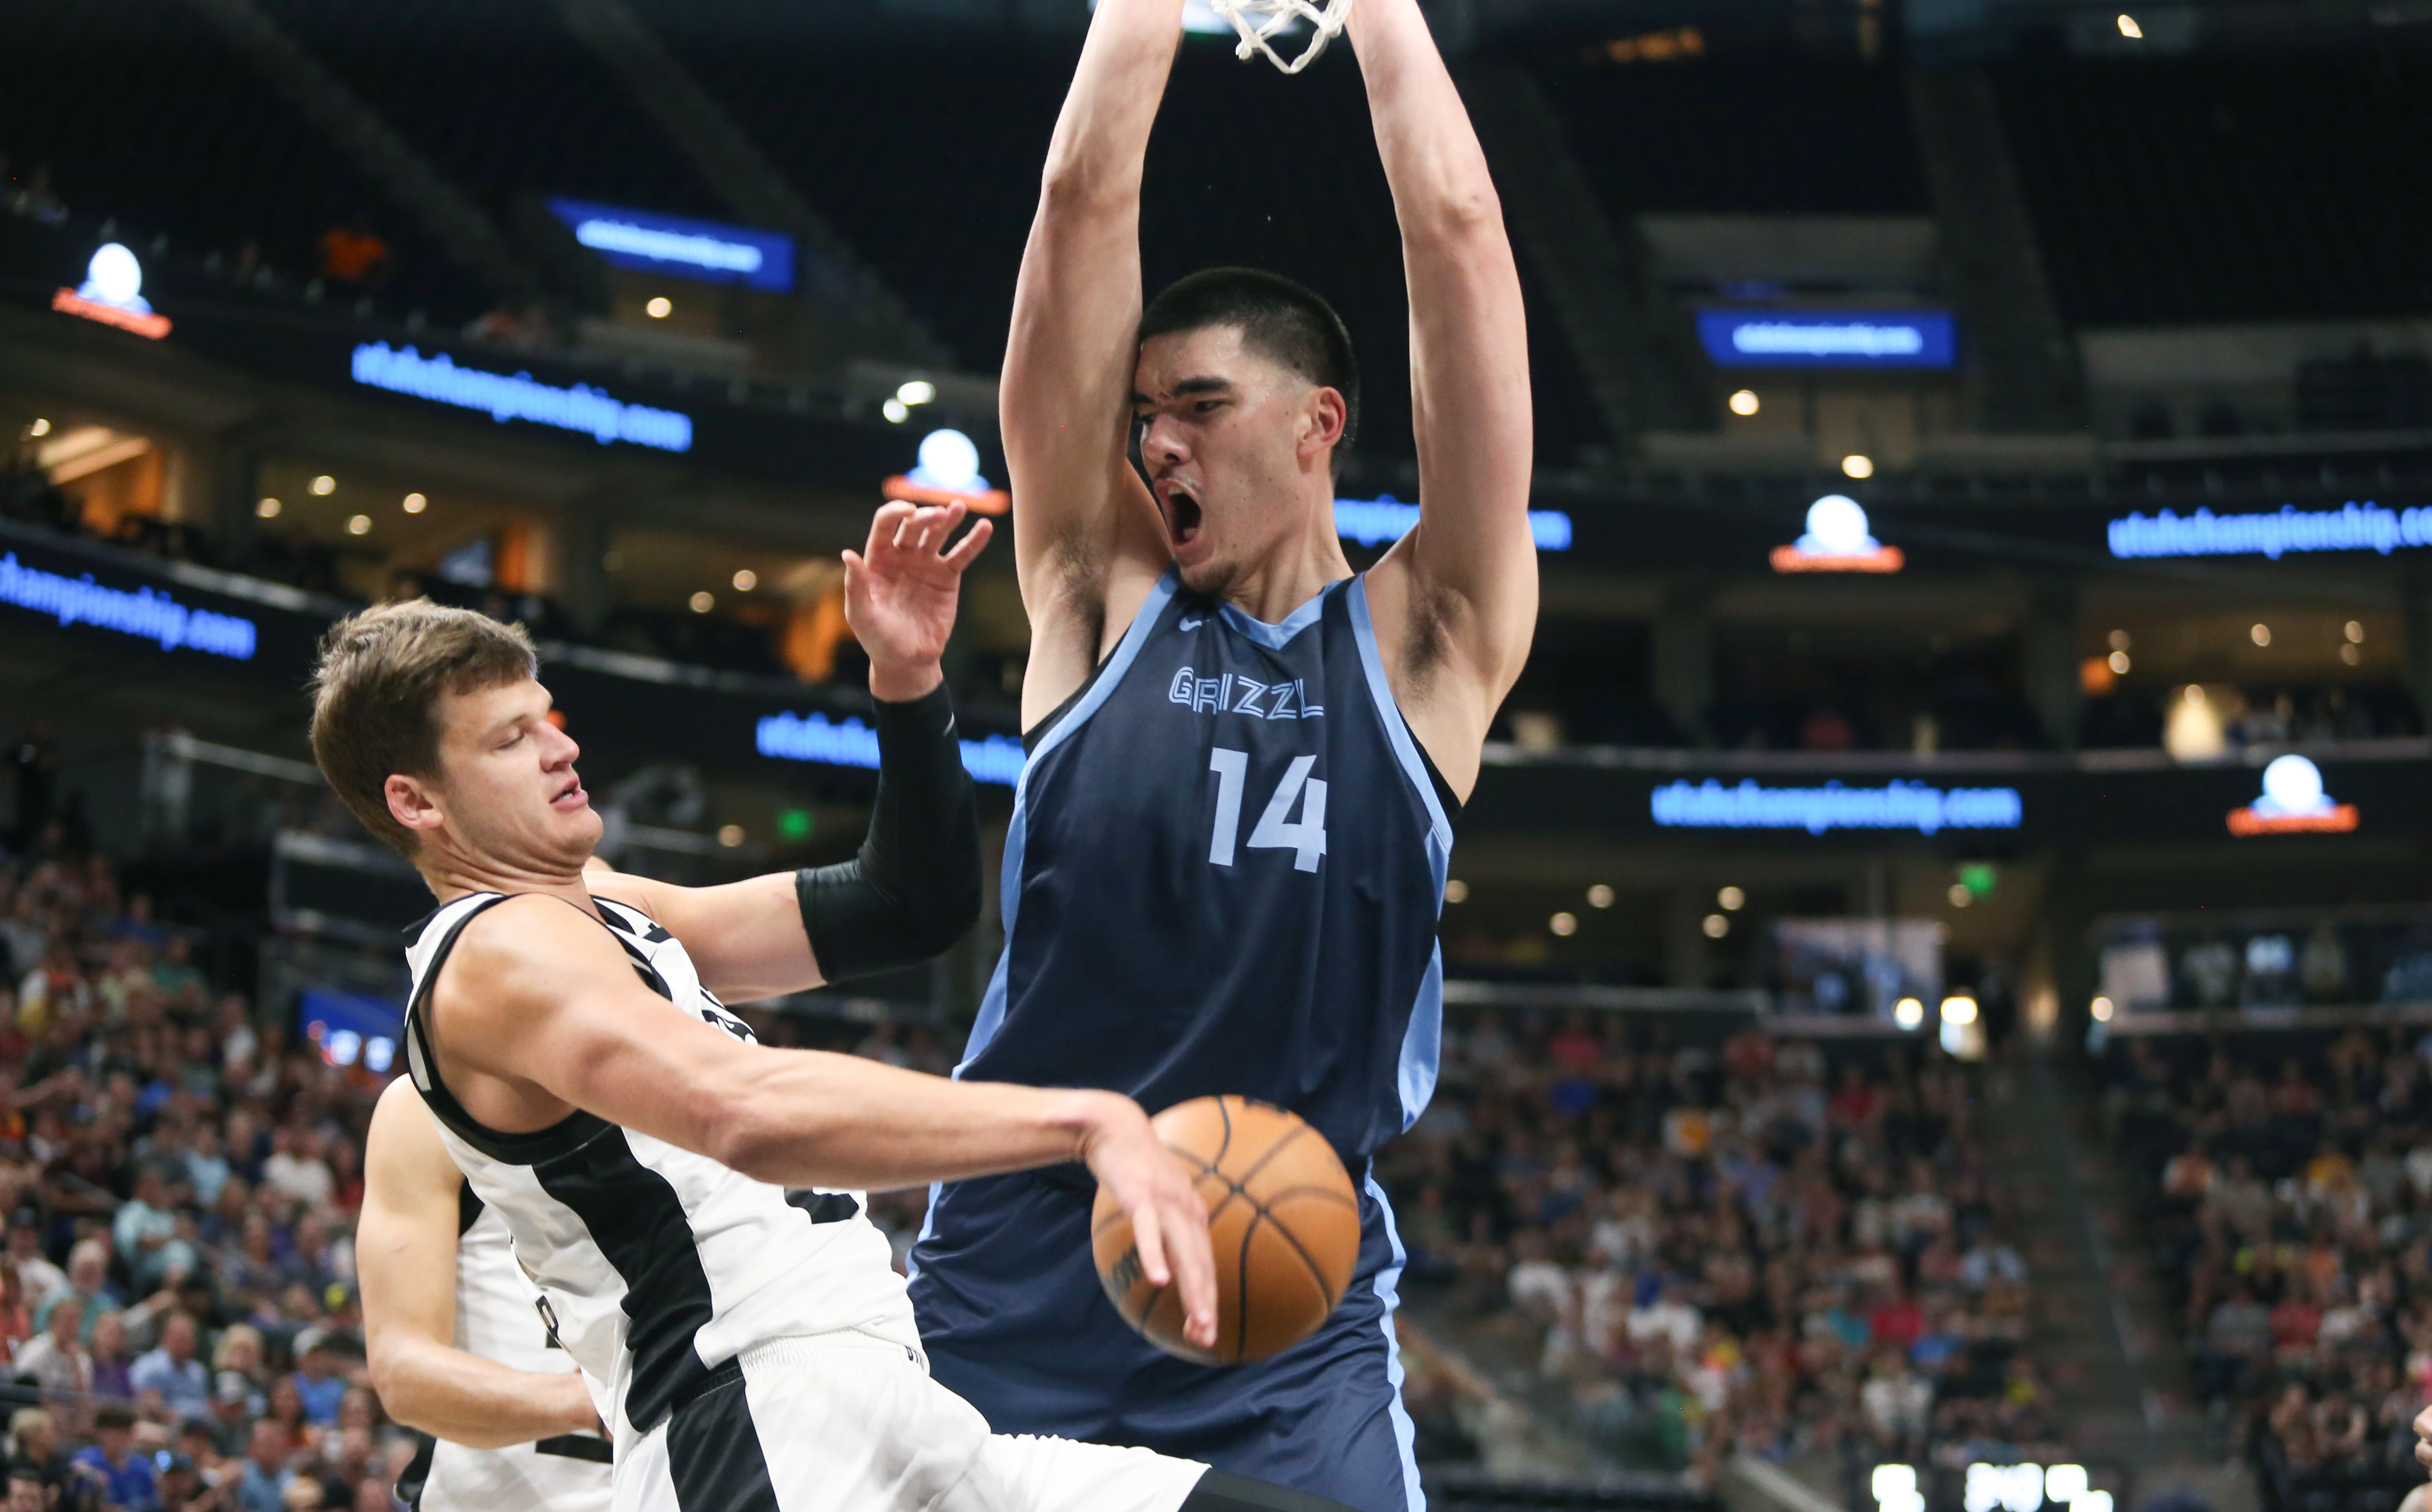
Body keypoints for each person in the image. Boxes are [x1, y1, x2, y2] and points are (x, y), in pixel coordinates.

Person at [309, 503, 1324, 1512]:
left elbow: (905, 905)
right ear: (417, 802)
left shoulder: (602, 910)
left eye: (549, 718)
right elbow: (742, 1110)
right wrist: (1084, 1122)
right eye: (511, 739)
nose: (560, 750)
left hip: (899, 1412)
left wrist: (907, 684)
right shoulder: (498, 952)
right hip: (761, 1425)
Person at [904, 0, 1536, 1505]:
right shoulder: (1093, 590)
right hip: (1020, 1284)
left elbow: (1455, 226)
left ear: (1320, 425)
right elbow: (1079, 206)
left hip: (1286, 1305)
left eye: (1200, 406)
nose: (1160, 444)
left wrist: (1380, 13)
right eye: (1143, 418)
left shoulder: (1432, 639)